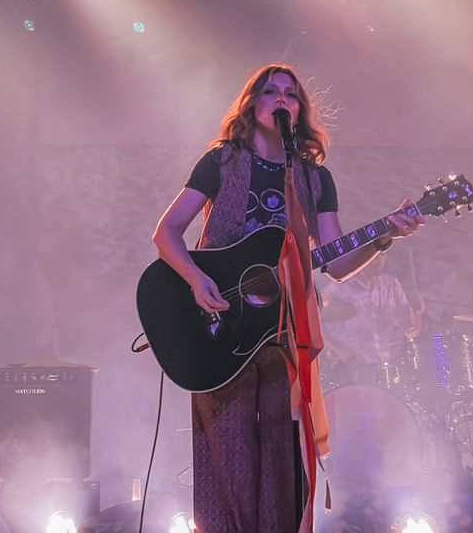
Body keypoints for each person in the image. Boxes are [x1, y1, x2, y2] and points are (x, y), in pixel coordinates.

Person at [151, 63, 425, 533]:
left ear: (299, 112)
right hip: (221, 328)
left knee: (283, 456)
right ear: (252, 103)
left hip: (284, 332)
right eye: (271, 91)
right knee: (228, 455)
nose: (281, 100)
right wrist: (197, 280)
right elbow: (167, 233)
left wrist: (386, 236)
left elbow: (335, 261)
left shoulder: (314, 179)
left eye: (291, 95)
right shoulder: (220, 162)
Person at [319, 250, 424, 386]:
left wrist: (416, 319)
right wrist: (342, 352)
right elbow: (315, 329)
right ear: (359, 256)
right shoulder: (337, 288)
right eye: (373, 255)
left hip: (381, 366)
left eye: (382, 255)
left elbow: (407, 323)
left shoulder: (390, 284)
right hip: (347, 369)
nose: (378, 260)